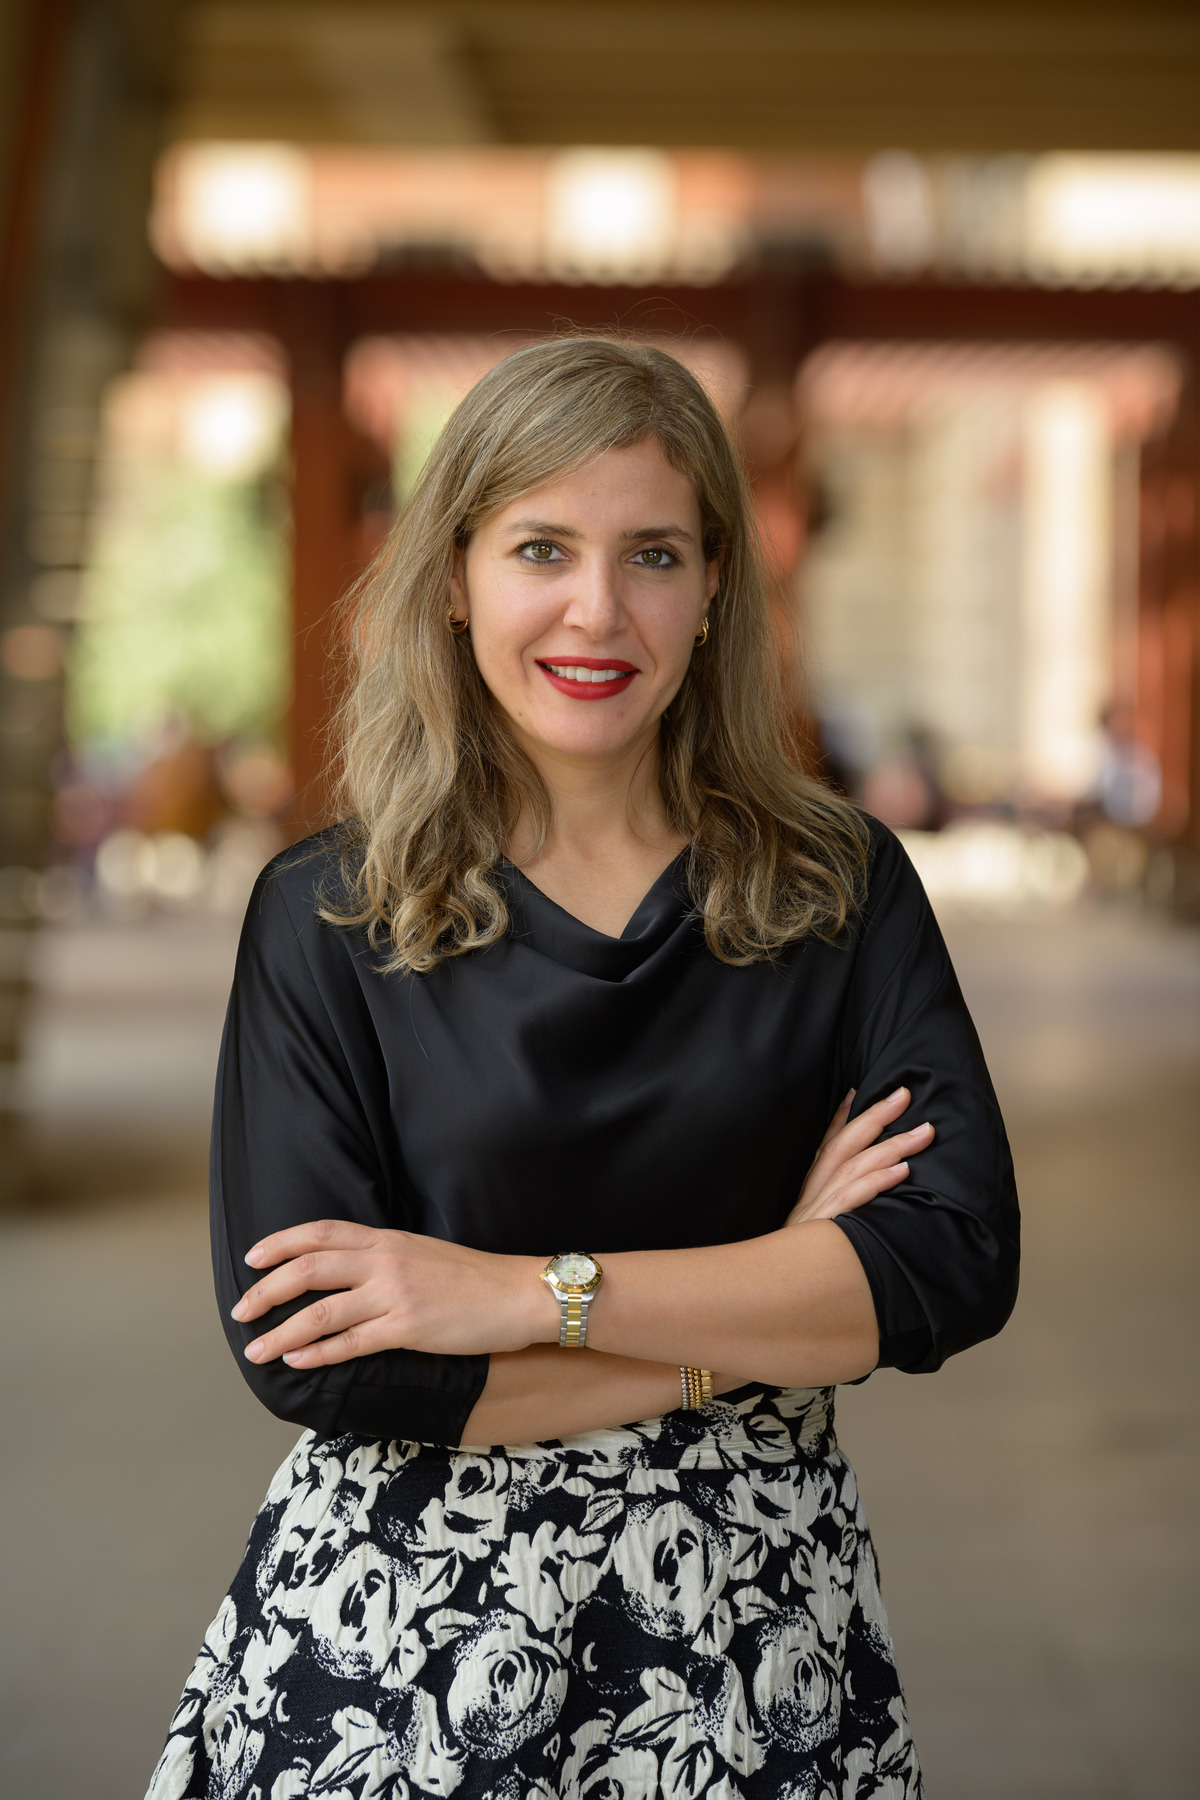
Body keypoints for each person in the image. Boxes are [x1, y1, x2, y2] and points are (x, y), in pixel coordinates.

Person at [146, 338, 1018, 1800]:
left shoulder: (836, 889)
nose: (596, 611)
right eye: (540, 547)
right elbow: (325, 1370)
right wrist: (770, 1298)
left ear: (717, 583)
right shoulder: (330, 916)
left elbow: (950, 1265)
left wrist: (517, 1296)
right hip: (395, 1650)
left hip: (755, 1645)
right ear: (452, 575)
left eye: (654, 554)